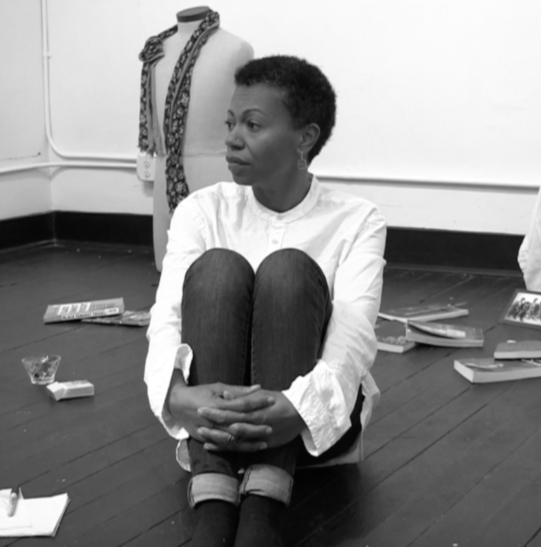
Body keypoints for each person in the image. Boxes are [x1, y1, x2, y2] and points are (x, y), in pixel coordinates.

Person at [143, 55, 386, 546]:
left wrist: (296, 408)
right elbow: (167, 315)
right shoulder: (201, 210)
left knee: (290, 270)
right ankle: (213, 501)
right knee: (216, 268)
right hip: (212, 427)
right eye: (231, 123)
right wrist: (175, 394)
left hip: (305, 429)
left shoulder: (358, 219)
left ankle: (264, 506)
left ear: (304, 138)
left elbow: (352, 339)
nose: (232, 138)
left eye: (252, 125)